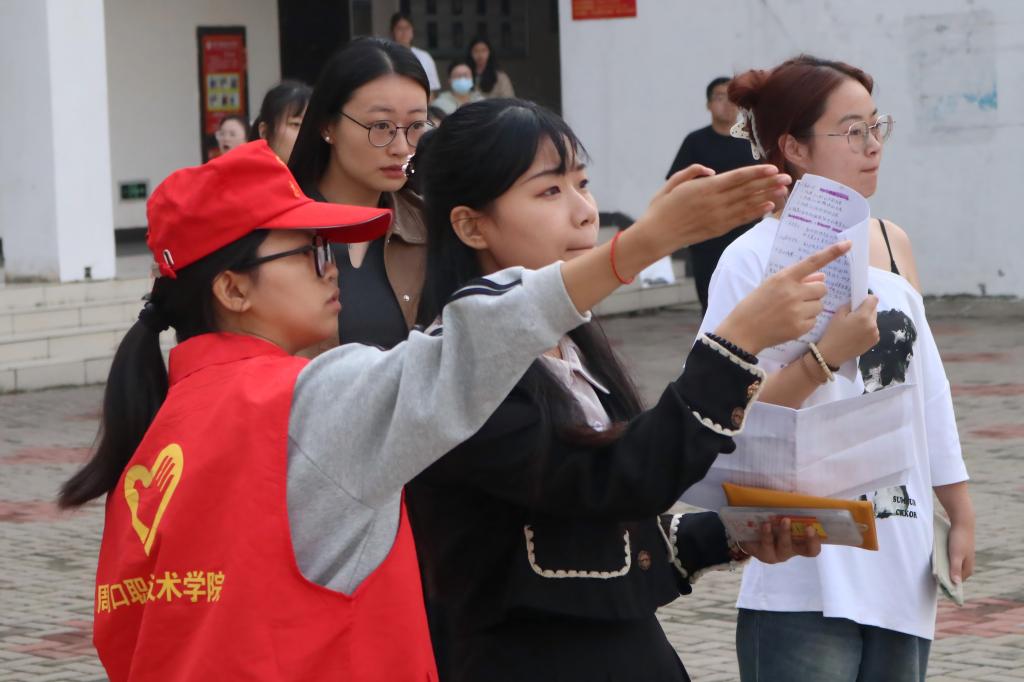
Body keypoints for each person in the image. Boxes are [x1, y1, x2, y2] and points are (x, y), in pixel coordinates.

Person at [56, 137, 773, 680]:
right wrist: (641, 246)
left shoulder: (157, 438)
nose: (334, 271)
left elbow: (126, 641)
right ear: (232, 289)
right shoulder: (305, 400)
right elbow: (466, 349)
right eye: (309, 253)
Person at [404, 99, 853, 682]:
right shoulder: (456, 364)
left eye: (582, 183)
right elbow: (613, 480)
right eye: (549, 191)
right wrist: (735, 343)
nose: (584, 211)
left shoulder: (569, 343)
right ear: (471, 225)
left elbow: (604, 526)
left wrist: (735, 532)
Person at [698, 55, 976, 682]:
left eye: (877, 126)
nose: (873, 145)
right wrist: (825, 358)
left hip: (900, 555)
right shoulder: (751, 259)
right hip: (805, 564)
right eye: (852, 131)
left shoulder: (892, 243)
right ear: (793, 147)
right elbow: (725, 411)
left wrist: (959, 510)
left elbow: (927, 392)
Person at [289, 38, 432, 348]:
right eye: (380, 126)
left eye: (416, 126)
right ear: (328, 125)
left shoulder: (429, 228)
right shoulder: (277, 233)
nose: (401, 148)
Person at [666, 77, 759, 315]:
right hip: (706, 235)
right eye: (720, 97)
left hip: (746, 234)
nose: (727, 104)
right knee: (710, 301)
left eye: (732, 99)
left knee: (746, 300)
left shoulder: (752, 142)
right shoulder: (695, 142)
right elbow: (676, 183)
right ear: (708, 105)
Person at [250, 80, 312, 163]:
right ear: (264, 132)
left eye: (312, 125)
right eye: (296, 124)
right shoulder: (246, 170)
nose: (307, 133)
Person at [390, 11, 441, 94]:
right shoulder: (385, 55)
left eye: (407, 28)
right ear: (393, 31)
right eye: (399, 28)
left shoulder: (424, 57)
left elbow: (432, 89)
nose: (404, 32)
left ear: (412, 31)